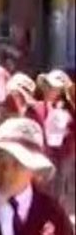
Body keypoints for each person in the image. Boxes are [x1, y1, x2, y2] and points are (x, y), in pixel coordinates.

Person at [35, 69, 75, 212]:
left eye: (55, 88)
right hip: (42, 153)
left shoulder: (69, 110)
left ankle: (56, 212)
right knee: (42, 186)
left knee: (59, 188)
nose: (50, 90)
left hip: (64, 155)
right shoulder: (37, 108)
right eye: (48, 86)